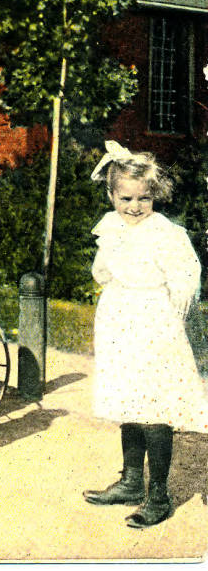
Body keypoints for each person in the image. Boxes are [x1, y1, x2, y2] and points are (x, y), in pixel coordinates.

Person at [82, 143, 208, 529]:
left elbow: (187, 277)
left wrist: (168, 317)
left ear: (155, 196)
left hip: (154, 322)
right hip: (119, 320)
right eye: (126, 198)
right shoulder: (111, 226)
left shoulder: (165, 233)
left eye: (144, 198)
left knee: (154, 408)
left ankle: (159, 494)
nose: (135, 207)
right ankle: (131, 479)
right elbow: (101, 272)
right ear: (111, 195)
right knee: (128, 400)